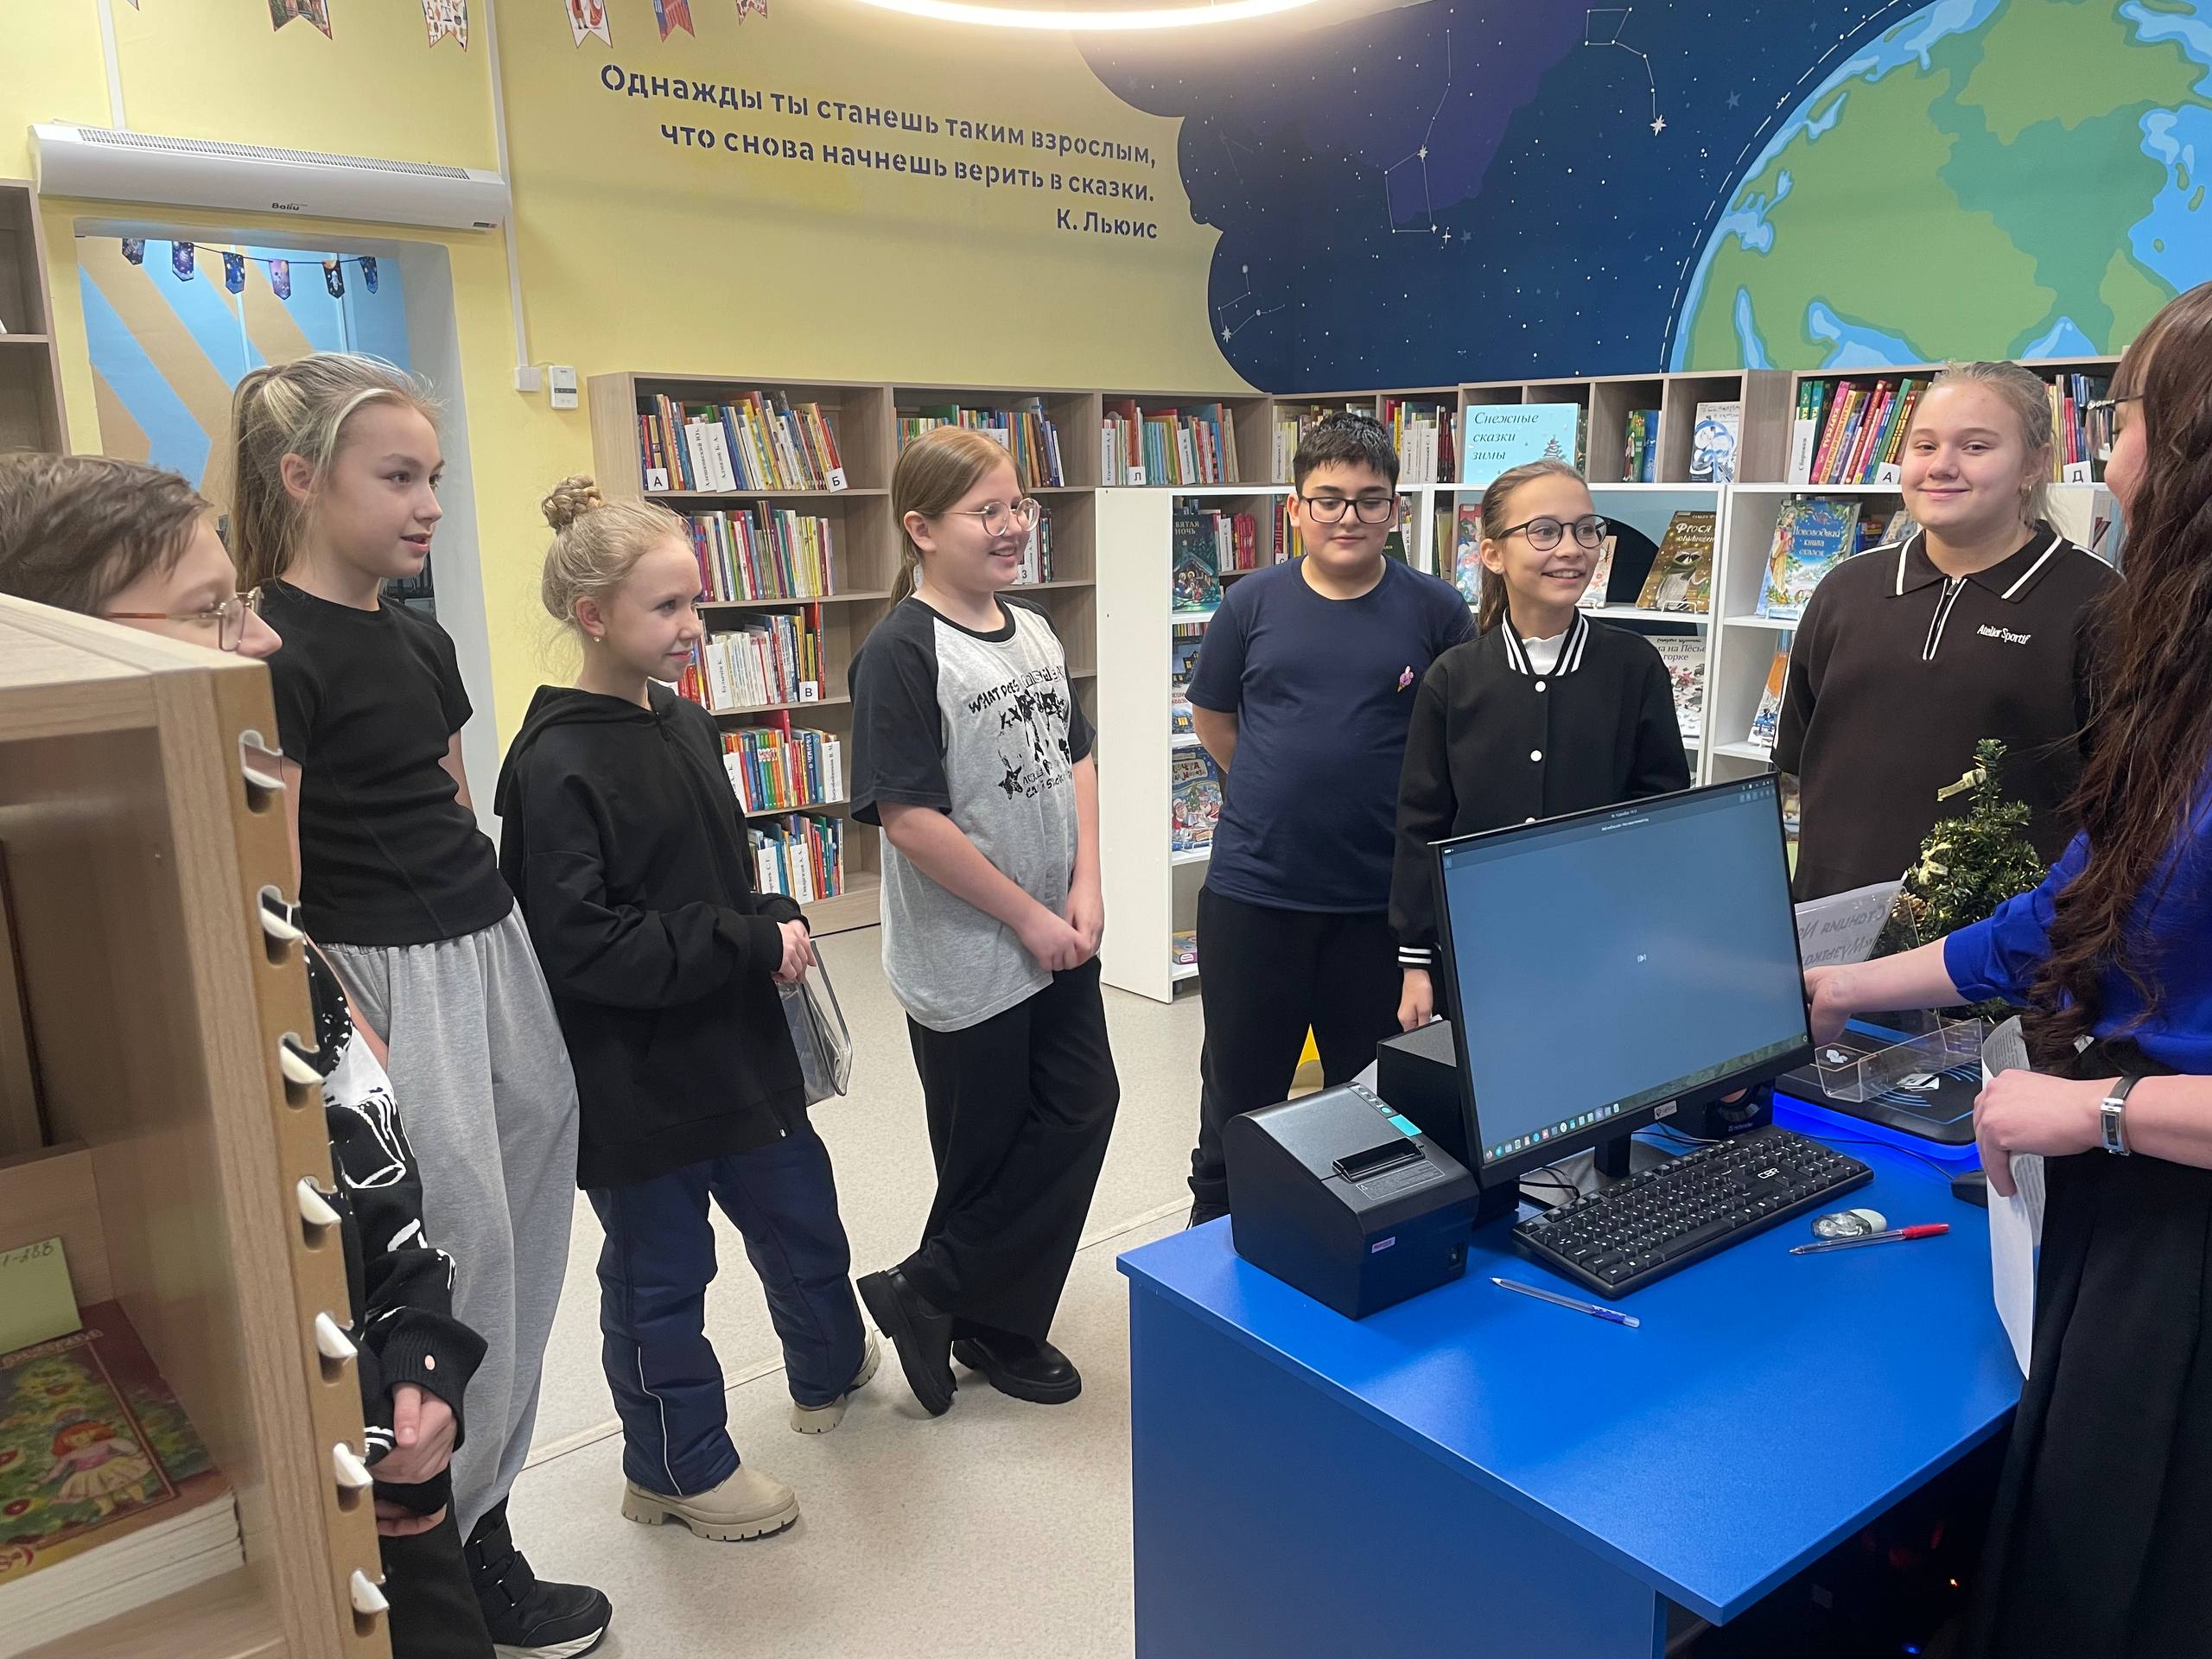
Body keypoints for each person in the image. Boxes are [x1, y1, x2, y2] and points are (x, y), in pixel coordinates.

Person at [0, 453, 496, 1659]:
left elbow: (378, 1163)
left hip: (390, 1453)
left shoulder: (271, 915)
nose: (263, 640)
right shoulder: (95, 969)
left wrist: (422, 1357)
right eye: (212, 611)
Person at [1802, 283, 2212, 1659]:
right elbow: (2080, 900)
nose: (2119, 458)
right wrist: (1848, 987)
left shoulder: (2109, 620)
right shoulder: (2183, 664)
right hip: (2116, 1181)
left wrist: (2102, 1111)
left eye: (2131, 421)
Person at [225, 356, 605, 1656]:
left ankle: (483, 1509)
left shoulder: (419, 635)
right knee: (454, 1262)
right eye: (398, 477)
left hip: (488, 949)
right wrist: (353, 1033)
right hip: (381, 978)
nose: (429, 502)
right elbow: (274, 883)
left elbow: (445, 796)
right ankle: (446, 1548)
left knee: (527, 1240)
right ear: (300, 479)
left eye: (433, 476)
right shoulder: (270, 650)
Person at [495, 478, 874, 1543]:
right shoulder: (553, 764)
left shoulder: (688, 723)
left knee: (801, 1216)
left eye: (696, 602)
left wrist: (770, 916)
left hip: (738, 1047)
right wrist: (739, 941)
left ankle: (829, 1366)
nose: (693, 627)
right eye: (666, 607)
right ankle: (675, 1464)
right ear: (592, 615)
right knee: (662, 1277)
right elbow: (582, 946)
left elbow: (713, 874)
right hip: (639, 1080)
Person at [847, 427, 1116, 1417]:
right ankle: (992, 1327)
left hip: (1058, 935)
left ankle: (929, 1289)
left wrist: (1086, 882)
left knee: (1082, 1106)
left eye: (1018, 507)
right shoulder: (901, 650)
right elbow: (908, 819)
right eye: (985, 512)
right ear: (921, 529)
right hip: (968, 954)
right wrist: (1027, 919)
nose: (1011, 527)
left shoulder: (1033, 630)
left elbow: (1075, 757)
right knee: (986, 1151)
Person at [1184, 412, 1475, 1224]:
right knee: (1238, 1092)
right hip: (1255, 895)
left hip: (1380, 906)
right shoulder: (1250, 603)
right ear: (1296, 507)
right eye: (1329, 499)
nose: (1349, 516)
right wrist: (1276, 788)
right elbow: (1214, 718)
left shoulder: (1436, 608)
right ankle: (1212, 1239)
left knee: (1373, 1097)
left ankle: (1352, 1239)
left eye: (1369, 500)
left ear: (1395, 509)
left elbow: (1458, 736)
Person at [1777, 360, 2116, 900]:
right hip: (1831, 922)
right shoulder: (1845, 590)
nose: (1941, 466)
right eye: (1925, 445)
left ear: (2033, 464)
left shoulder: (2097, 600)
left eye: (1976, 447)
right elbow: (1797, 759)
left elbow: (2124, 803)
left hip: (1997, 937)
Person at [1392, 461, 1689, 1027]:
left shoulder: (1634, 666)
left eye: (1586, 529)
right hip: (1479, 946)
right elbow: (1422, 823)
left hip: (1605, 943)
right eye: (1544, 531)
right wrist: (1416, 961)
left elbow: (1660, 812)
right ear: (1492, 554)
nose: (1572, 549)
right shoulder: (1453, 677)